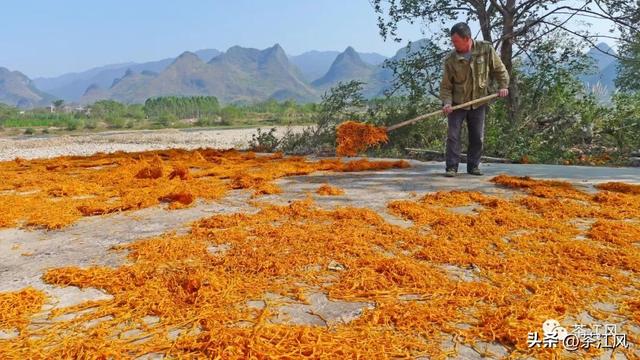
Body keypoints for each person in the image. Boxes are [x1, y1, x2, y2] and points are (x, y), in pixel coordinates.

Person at [439, 22, 510, 177]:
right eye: (452, 41)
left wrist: (503, 86)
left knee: (477, 136)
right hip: (457, 104)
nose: (454, 44)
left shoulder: (485, 50)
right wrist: (447, 103)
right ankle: (451, 167)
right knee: (453, 136)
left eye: (456, 41)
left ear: (467, 39)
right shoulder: (450, 60)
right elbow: (445, 86)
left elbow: (500, 69)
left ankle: (473, 166)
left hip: (478, 101)